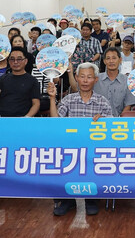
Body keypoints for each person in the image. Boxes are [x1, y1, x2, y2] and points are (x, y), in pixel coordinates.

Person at [48, 62, 113, 217]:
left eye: (89, 77)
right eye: (82, 76)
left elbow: (111, 127)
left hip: (93, 147)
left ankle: (91, 200)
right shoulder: (68, 100)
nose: (85, 80)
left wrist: (103, 120)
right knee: (63, 160)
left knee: (95, 161)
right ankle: (67, 201)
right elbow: (56, 122)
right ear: (76, 78)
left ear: (95, 80)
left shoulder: (102, 101)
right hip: (70, 145)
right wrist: (52, 98)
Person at [0, 48, 40, 117]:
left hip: (23, 118)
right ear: (9, 61)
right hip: (3, 118)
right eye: (12, 59)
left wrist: (26, 117)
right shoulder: (3, 78)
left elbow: (36, 103)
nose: (15, 62)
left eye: (19, 59)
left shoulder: (33, 81)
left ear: (25, 61)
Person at [92, 47, 135, 116]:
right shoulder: (96, 79)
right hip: (97, 120)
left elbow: (128, 105)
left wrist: (119, 119)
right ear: (104, 61)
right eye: (108, 58)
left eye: (114, 58)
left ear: (120, 60)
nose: (111, 61)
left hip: (119, 120)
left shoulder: (128, 81)